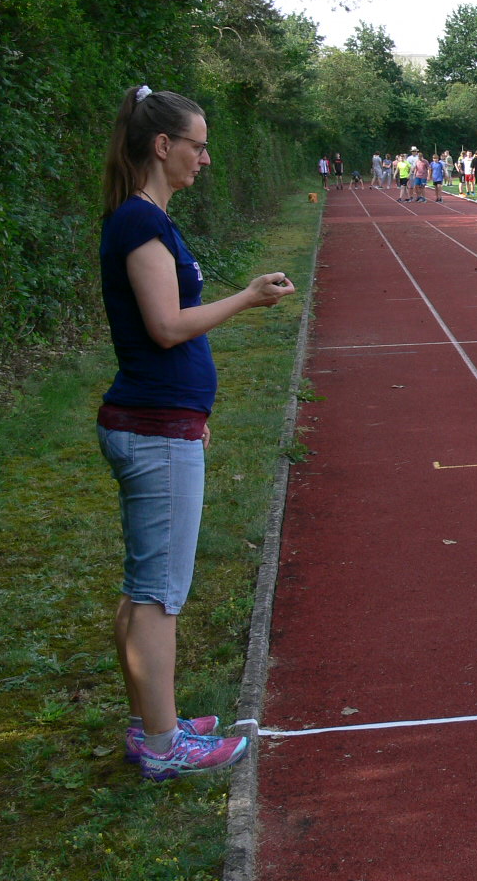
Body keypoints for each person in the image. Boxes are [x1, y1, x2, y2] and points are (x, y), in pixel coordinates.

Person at [98, 84, 295, 779]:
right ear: (163, 146)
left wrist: (192, 417)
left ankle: (153, 725)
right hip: (154, 427)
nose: (205, 158)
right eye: (198, 145)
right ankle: (162, 745)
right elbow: (165, 326)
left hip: (163, 423)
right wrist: (247, 298)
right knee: (159, 594)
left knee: (144, 587)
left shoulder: (144, 218)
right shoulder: (140, 222)